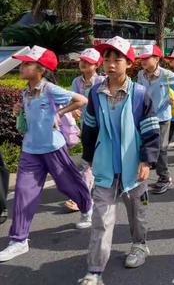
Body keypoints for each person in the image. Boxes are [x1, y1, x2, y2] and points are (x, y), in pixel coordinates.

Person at [78, 37, 160, 285]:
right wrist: (89, 158)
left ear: (130, 64)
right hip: (104, 167)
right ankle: (94, 270)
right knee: (101, 220)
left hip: (133, 168)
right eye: (107, 59)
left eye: (117, 60)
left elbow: (151, 131)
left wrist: (146, 161)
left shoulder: (140, 95)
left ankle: (139, 245)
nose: (111, 64)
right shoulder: (95, 93)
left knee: (137, 213)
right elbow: (90, 128)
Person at [0, 46, 92, 263]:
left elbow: (81, 100)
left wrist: (59, 113)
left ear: (41, 69)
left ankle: (87, 208)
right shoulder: (25, 91)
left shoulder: (50, 89)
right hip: (30, 150)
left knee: (68, 185)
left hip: (53, 148)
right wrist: (18, 110)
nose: (21, 67)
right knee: (23, 193)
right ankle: (18, 241)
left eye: (26, 64)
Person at [137, 44, 174, 195]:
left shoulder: (166, 74)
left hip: (163, 117)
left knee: (161, 149)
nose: (144, 61)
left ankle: (165, 179)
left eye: (147, 58)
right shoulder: (141, 74)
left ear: (157, 59)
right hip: (146, 116)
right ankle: (158, 178)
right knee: (147, 146)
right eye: (142, 59)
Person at [64, 48, 105, 212]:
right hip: (85, 127)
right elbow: (73, 99)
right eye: (82, 60)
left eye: (88, 62)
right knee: (93, 162)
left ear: (96, 65)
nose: (83, 64)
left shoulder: (102, 80)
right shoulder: (76, 82)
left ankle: (80, 197)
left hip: (102, 127)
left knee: (88, 163)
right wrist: (73, 109)